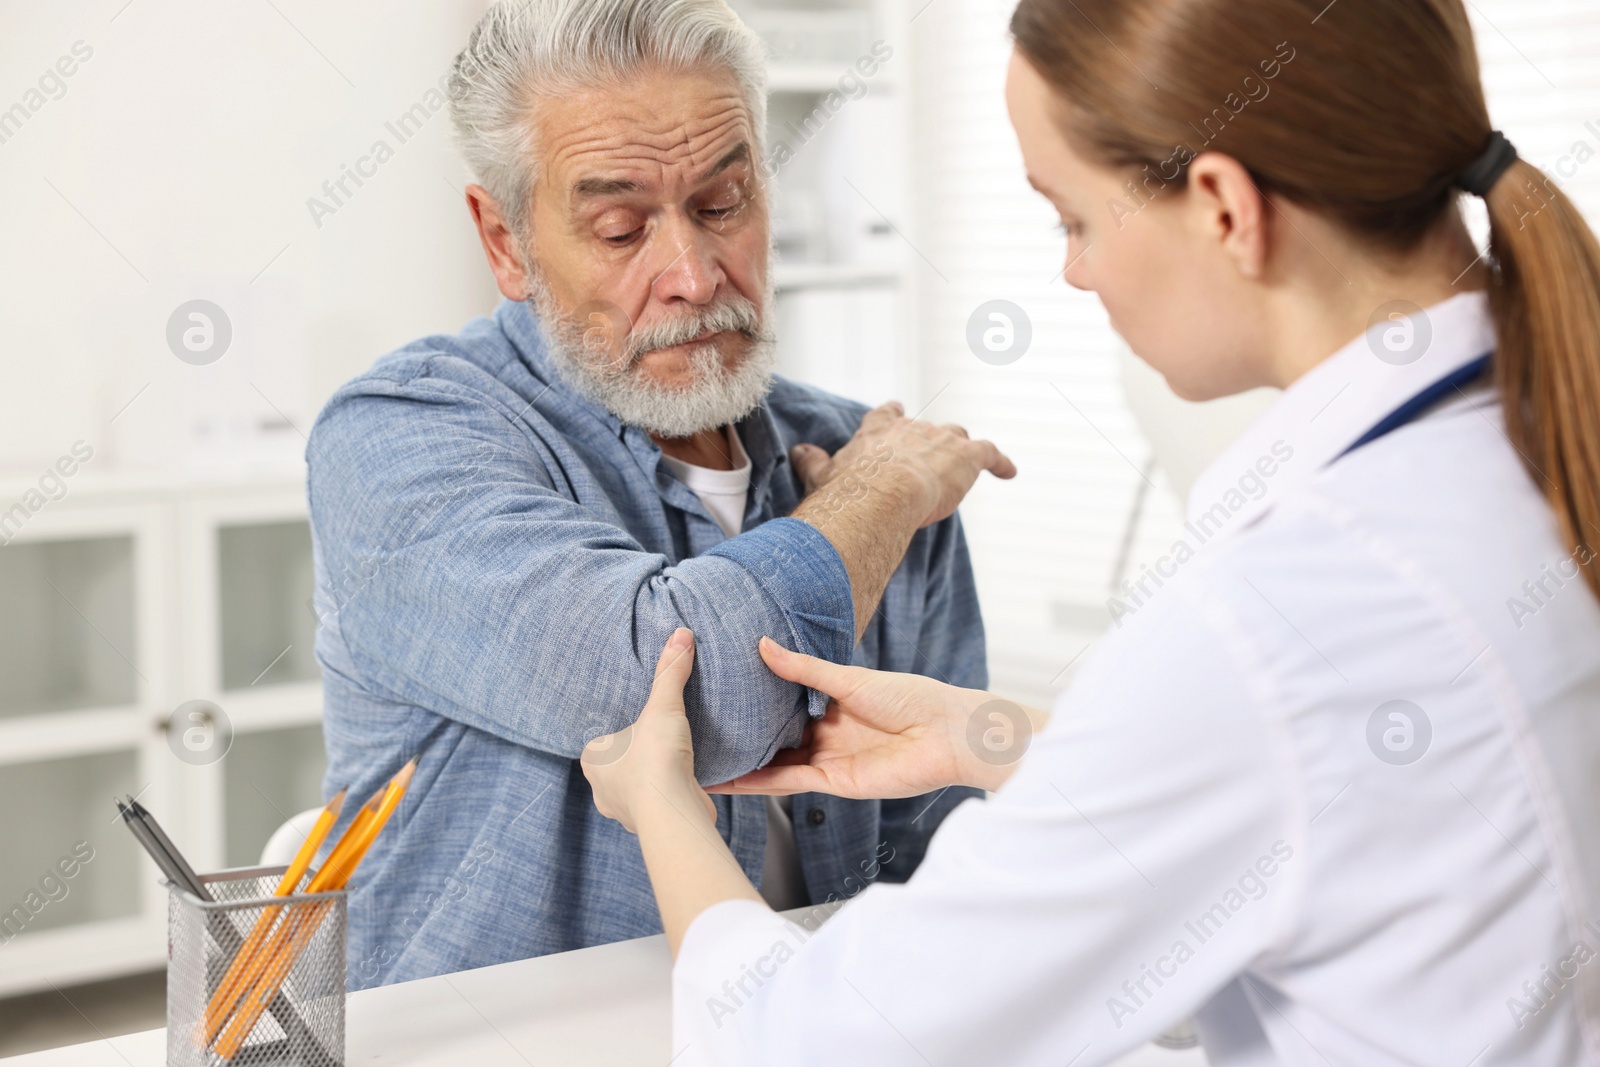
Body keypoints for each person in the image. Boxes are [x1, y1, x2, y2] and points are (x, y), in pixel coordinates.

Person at [579, 0, 1600, 1062]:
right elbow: (1337, 806)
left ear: (1221, 207)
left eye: (1071, 218)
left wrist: (662, 804)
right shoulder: (1525, 453)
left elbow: (813, 1043)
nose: (1075, 270)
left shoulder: (1272, 620)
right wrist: (1009, 740)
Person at [304, 0, 1014, 989]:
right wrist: (880, 498)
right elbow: (694, 708)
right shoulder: (399, 432)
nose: (692, 273)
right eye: (620, 226)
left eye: (723, 204)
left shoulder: (866, 457)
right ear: (504, 241)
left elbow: (940, 844)